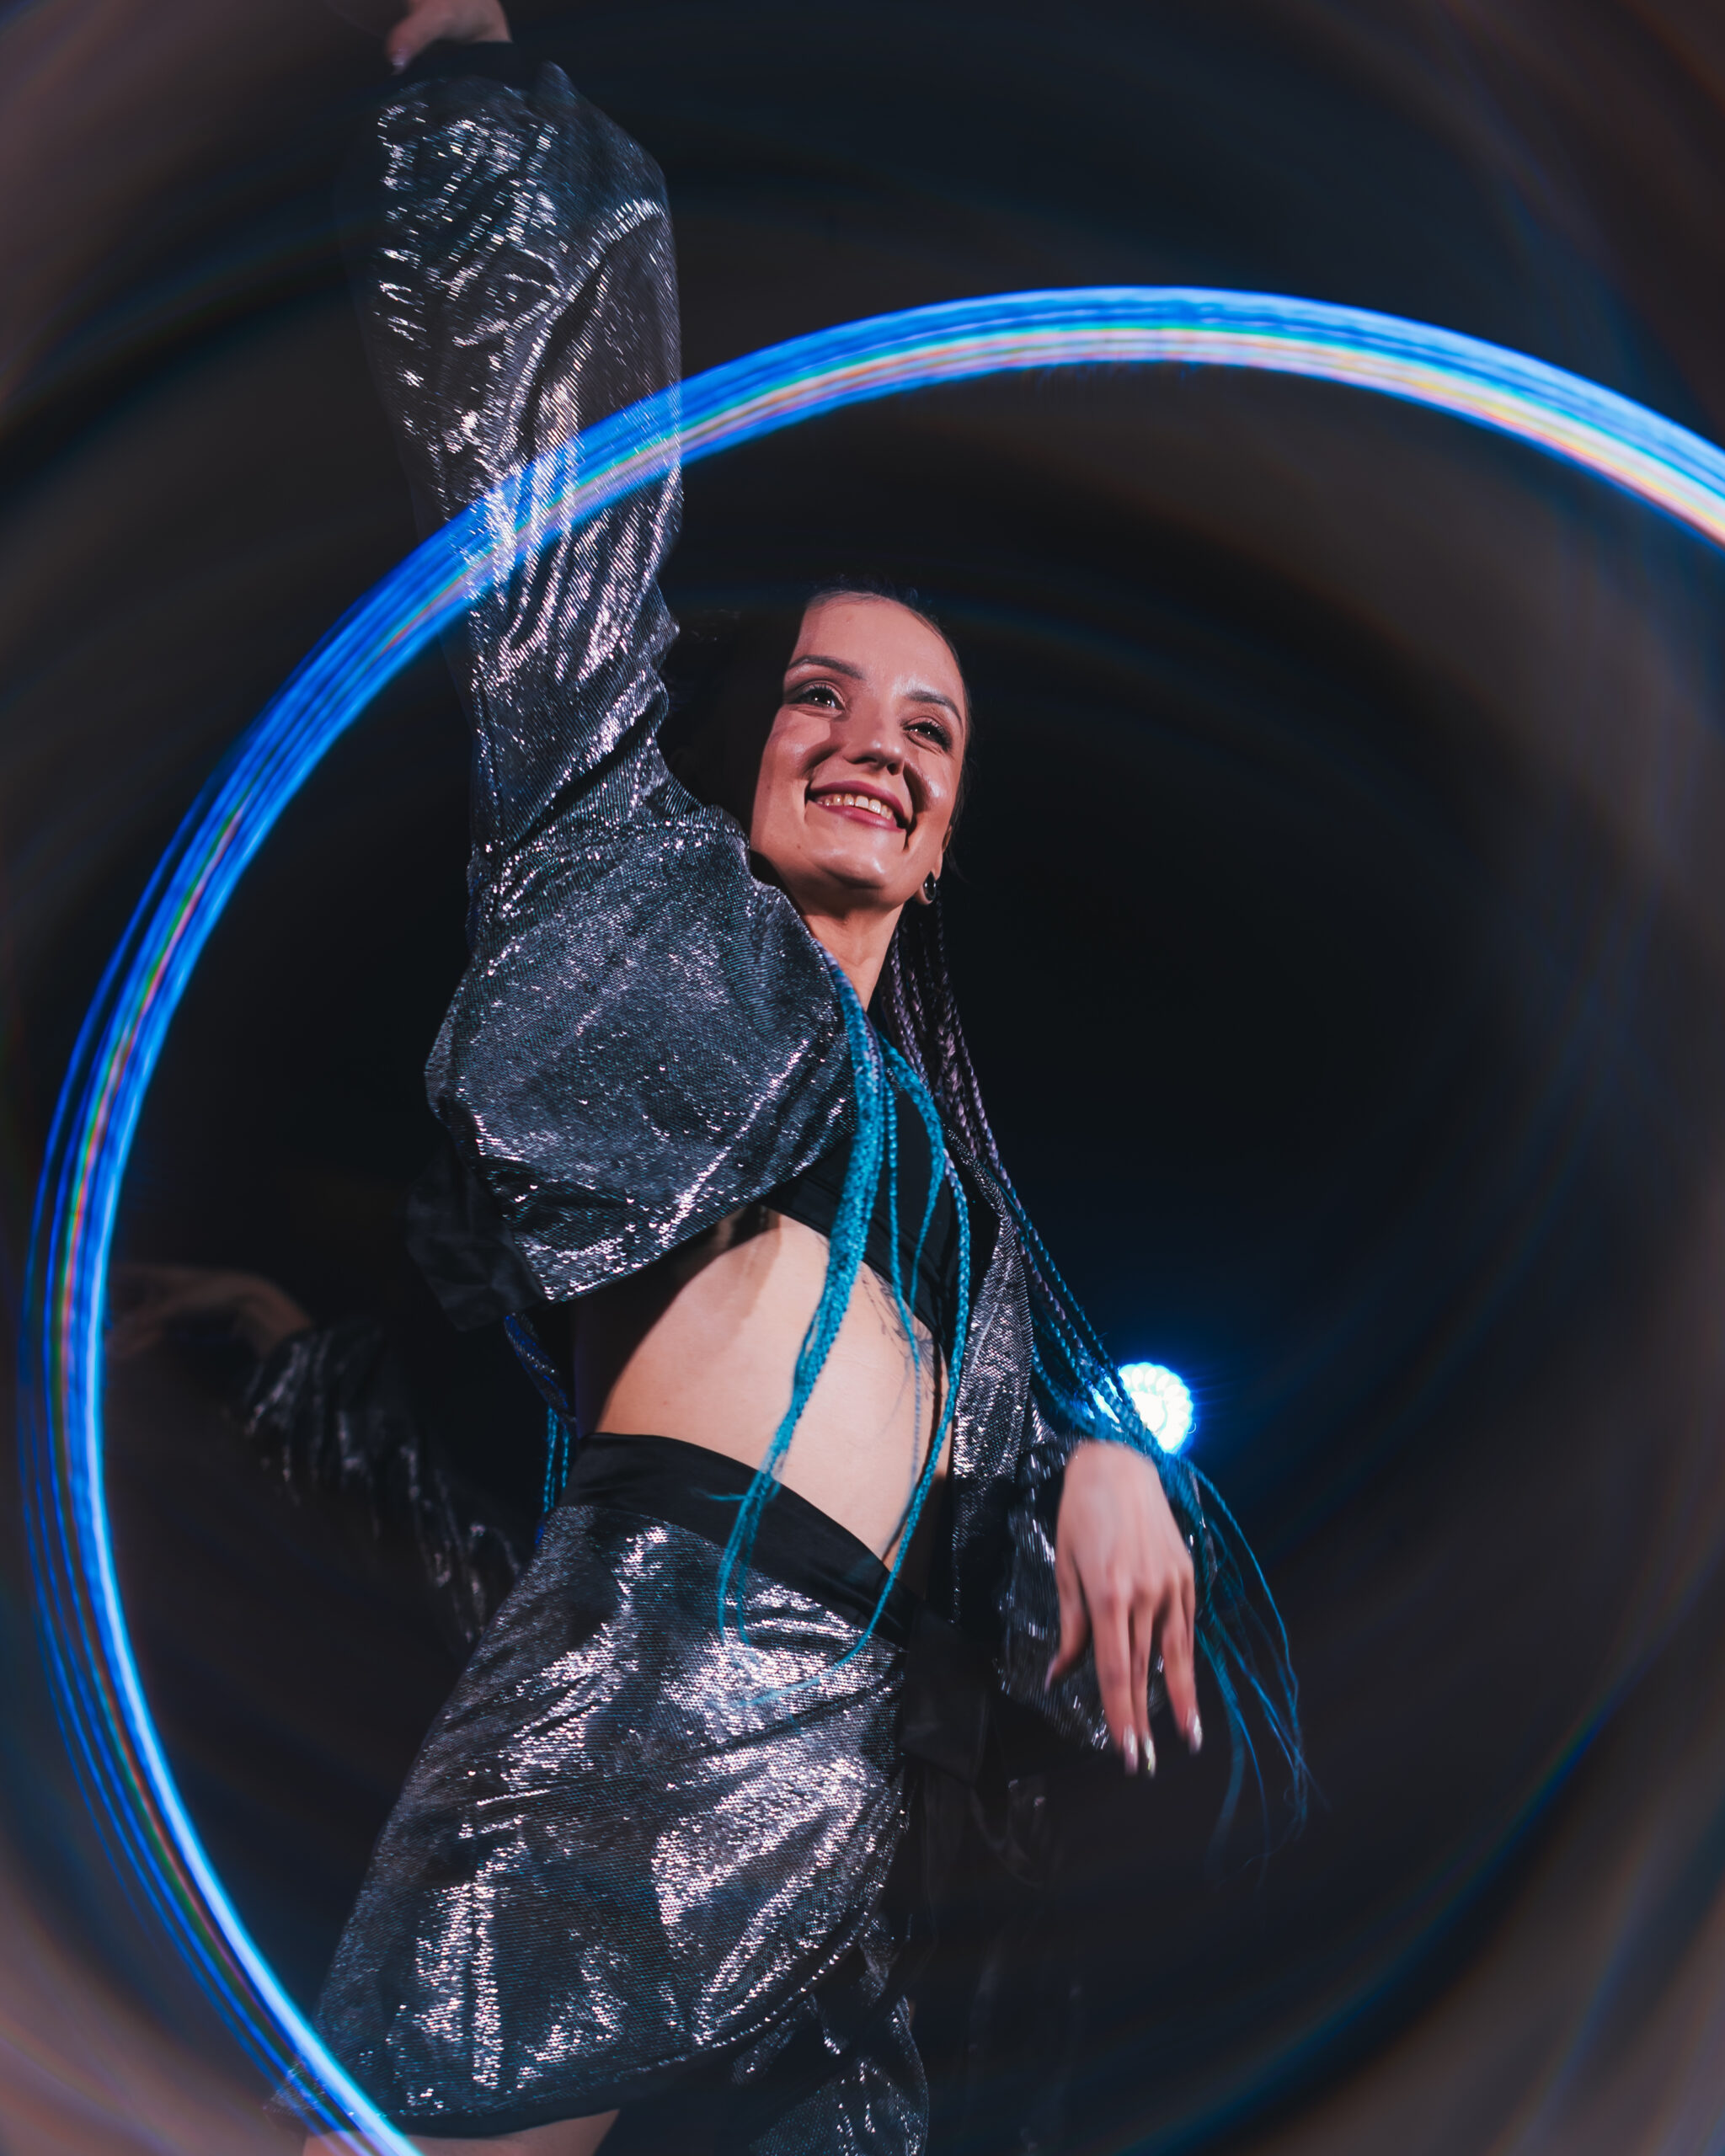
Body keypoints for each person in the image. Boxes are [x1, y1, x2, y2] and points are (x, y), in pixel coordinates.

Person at [289, 3, 1305, 2149]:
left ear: (945, 834)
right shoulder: (622, 878)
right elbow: (553, 506)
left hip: (850, 1782)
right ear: (741, 736)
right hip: (648, 1666)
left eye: (927, 730)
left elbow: (1022, 1533)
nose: (873, 745)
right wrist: (468, 97)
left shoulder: (955, 1184)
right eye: (822, 697)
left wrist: (1101, 1457)